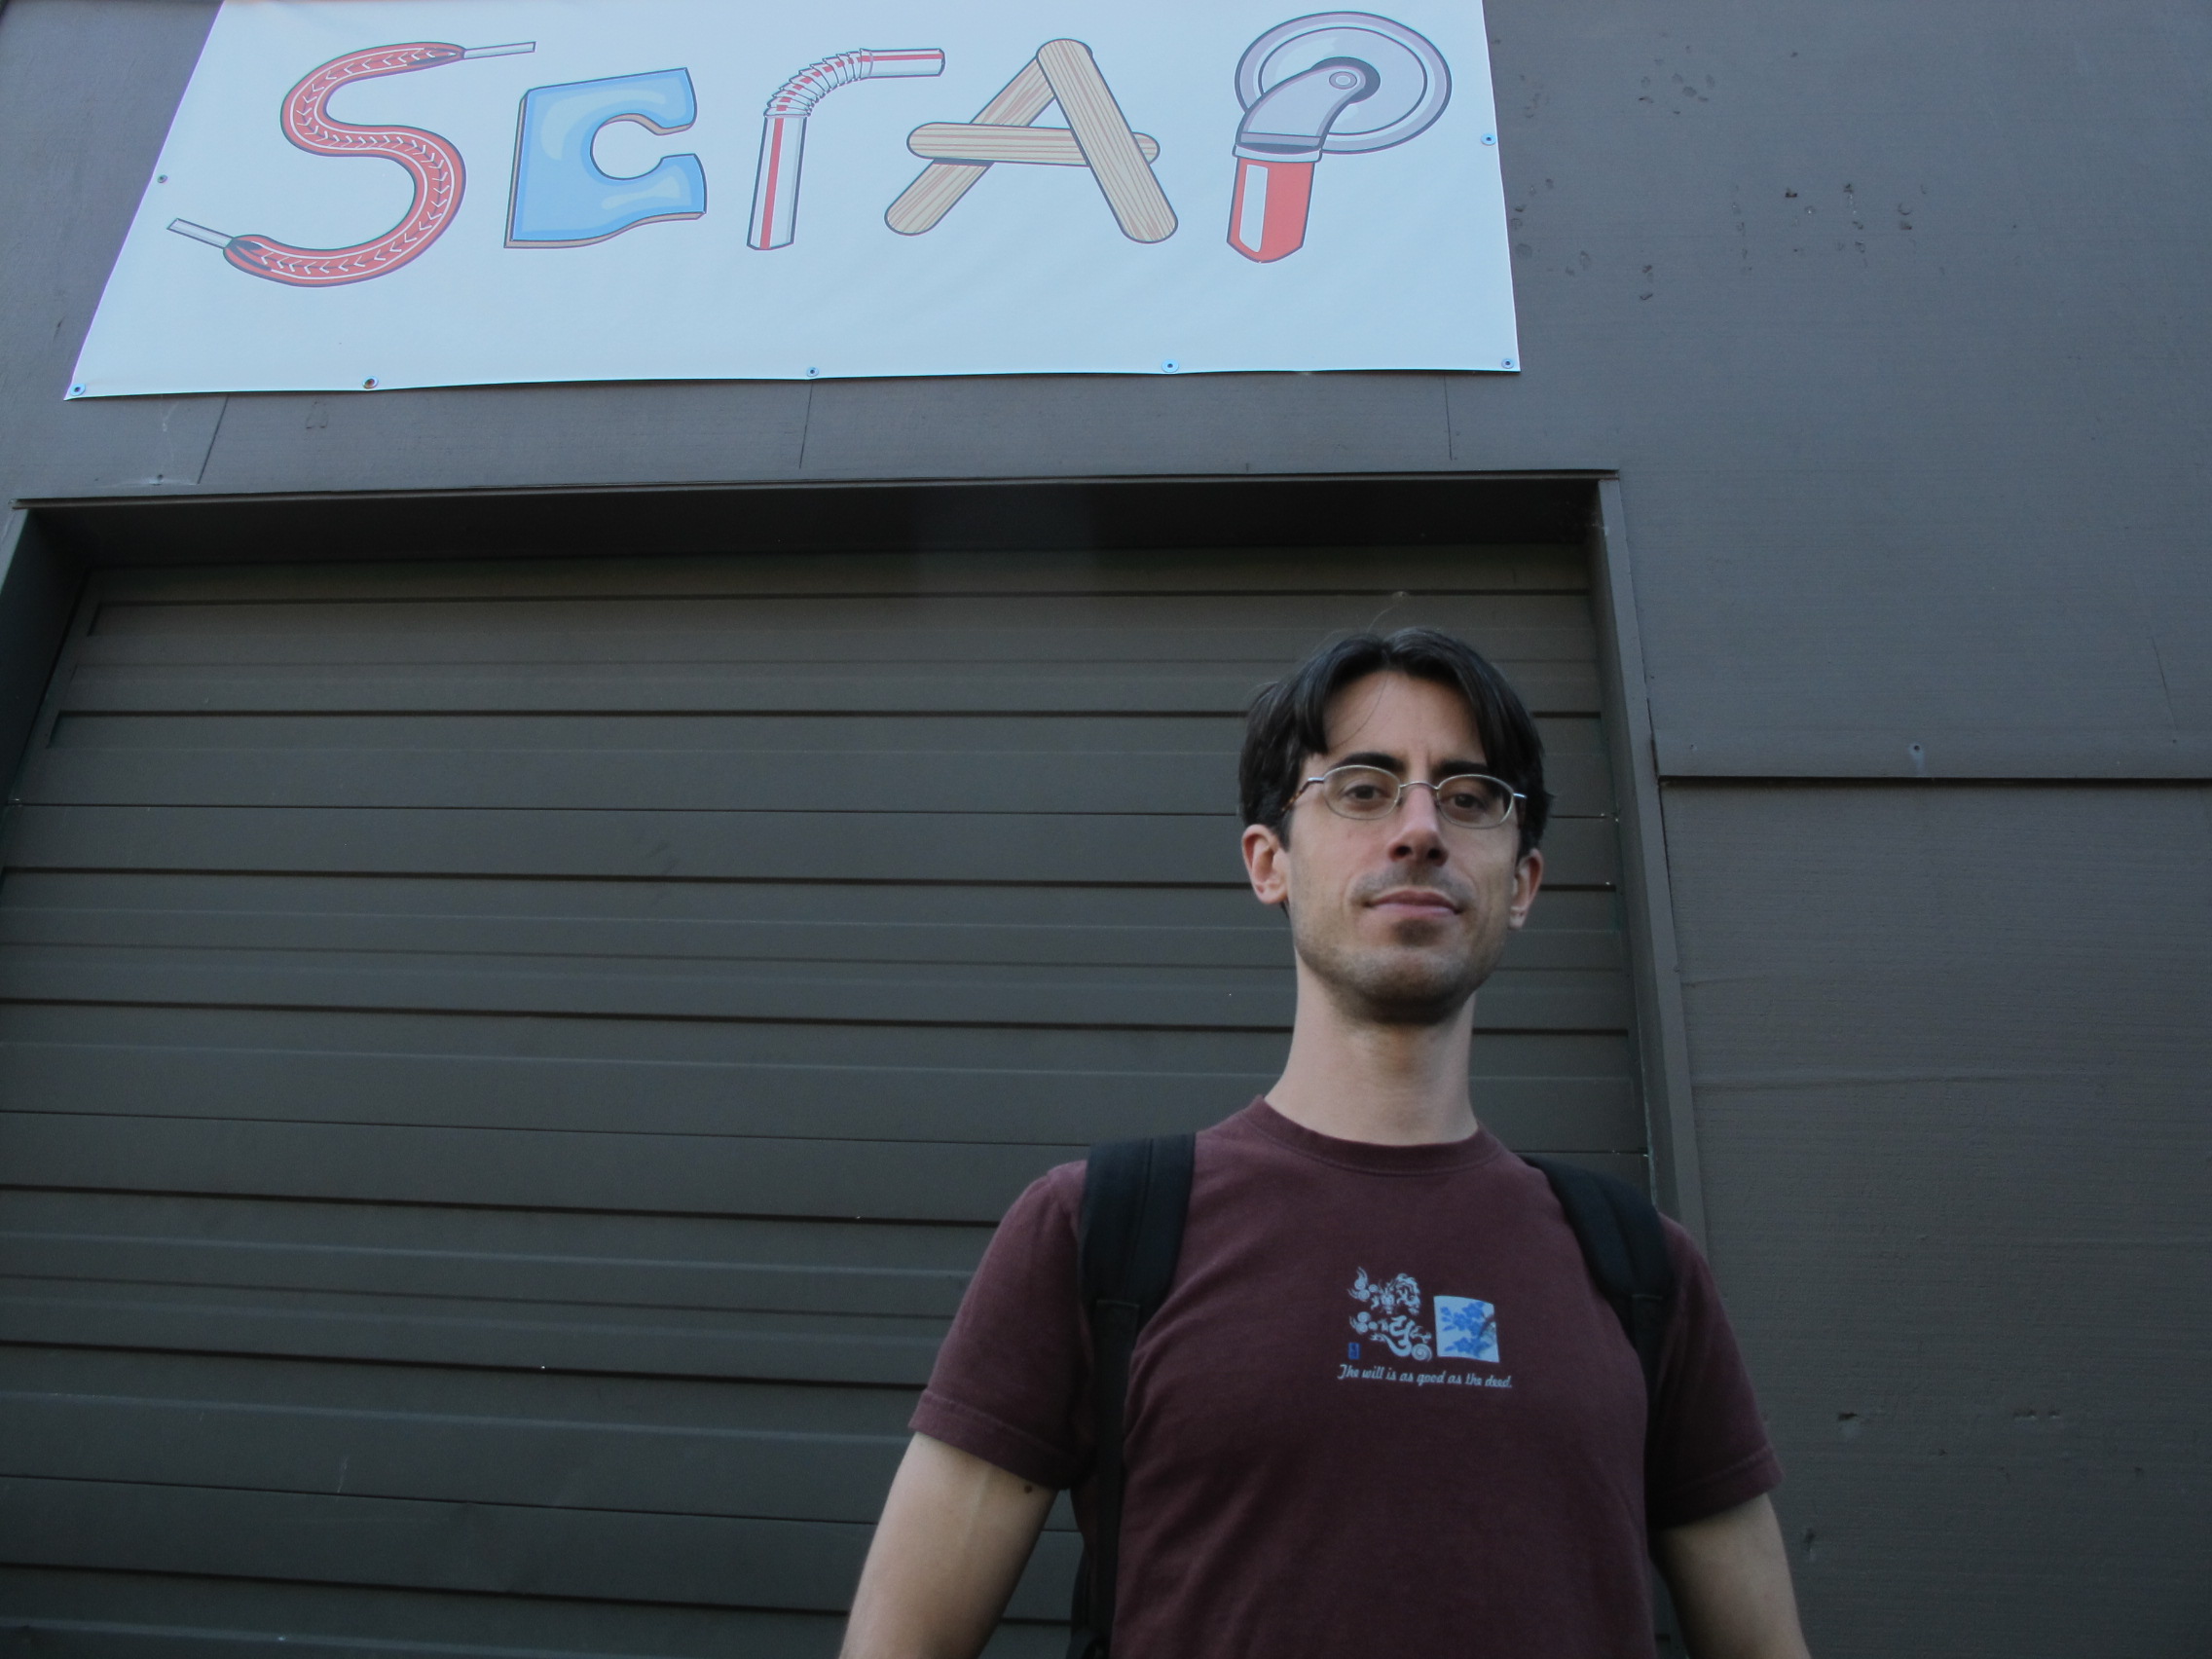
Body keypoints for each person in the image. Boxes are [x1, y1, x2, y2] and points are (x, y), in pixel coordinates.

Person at [841, 629, 1812, 1659]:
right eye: (1362, 789)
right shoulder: (1098, 1232)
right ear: (1270, 862)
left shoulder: (1643, 1270)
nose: (1420, 830)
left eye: (1469, 797)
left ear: (1523, 883)